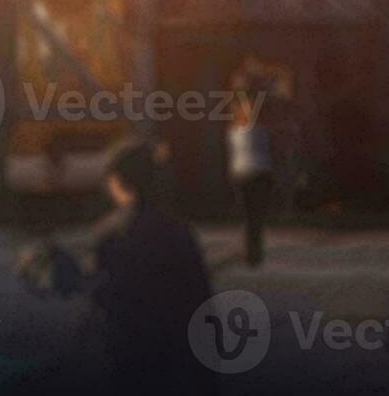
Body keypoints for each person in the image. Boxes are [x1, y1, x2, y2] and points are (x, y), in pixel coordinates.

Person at [86, 139, 216, 394]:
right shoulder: (179, 233)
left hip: (127, 358)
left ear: (117, 182)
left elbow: (102, 301)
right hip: (176, 358)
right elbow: (200, 303)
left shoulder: (108, 234)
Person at [228, 91, 274, 267]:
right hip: (254, 174)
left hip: (249, 174)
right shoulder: (250, 131)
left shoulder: (241, 131)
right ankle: (254, 253)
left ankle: (253, 253)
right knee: (253, 217)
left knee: (251, 217)